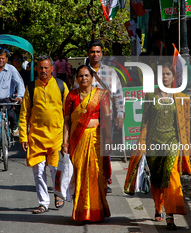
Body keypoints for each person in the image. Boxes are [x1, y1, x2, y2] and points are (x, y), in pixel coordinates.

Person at [124, 63, 191, 230]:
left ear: (174, 77)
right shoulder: (151, 96)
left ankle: (170, 215)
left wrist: (186, 147)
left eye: (168, 74)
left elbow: (184, 124)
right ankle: (158, 206)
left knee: (171, 176)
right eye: (162, 74)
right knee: (156, 179)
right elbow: (144, 121)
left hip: (172, 142)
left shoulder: (180, 97)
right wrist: (141, 143)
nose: (165, 77)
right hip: (153, 143)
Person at [19, 55, 69, 214]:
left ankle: (58, 194)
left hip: (57, 138)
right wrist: (23, 136)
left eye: (46, 67)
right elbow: (24, 114)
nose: (43, 71)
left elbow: (69, 112)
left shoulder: (61, 86)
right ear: (36, 69)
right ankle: (43, 203)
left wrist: (68, 138)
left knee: (55, 170)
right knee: (39, 172)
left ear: (52, 69)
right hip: (36, 139)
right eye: (40, 68)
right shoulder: (32, 87)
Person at [62, 65, 111, 222]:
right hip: (77, 141)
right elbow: (67, 122)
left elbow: (107, 119)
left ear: (92, 78)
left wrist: (108, 139)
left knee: (96, 174)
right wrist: (65, 143)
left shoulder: (101, 95)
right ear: (76, 79)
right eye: (81, 76)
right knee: (80, 175)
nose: (84, 78)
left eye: (86, 75)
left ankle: (98, 211)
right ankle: (82, 212)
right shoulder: (71, 96)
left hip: (96, 140)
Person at [75, 39, 125, 193]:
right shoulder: (82, 72)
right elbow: (75, 95)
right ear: (87, 53)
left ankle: (103, 179)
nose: (95, 54)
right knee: (87, 148)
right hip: (85, 118)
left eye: (98, 52)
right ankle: (86, 179)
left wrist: (120, 114)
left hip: (105, 117)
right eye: (92, 51)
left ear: (102, 54)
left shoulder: (110, 72)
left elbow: (118, 95)